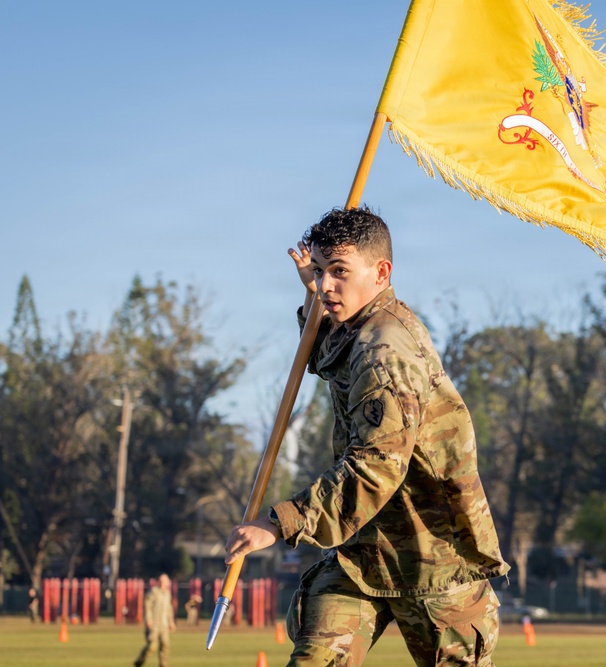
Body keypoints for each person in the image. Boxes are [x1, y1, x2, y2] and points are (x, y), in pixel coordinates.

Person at [225, 206, 509, 666]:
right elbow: (325, 358)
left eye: (339, 272)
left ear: (381, 272)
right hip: (363, 553)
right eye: (318, 271)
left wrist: (278, 523)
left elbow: (375, 469)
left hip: (431, 556)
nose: (324, 286)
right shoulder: (359, 325)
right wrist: (314, 292)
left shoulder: (385, 352)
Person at [134, 573, 176, 667]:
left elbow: (169, 610)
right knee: (152, 645)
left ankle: (163, 665)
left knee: (165, 646)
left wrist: (171, 622)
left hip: (164, 624)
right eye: (160, 581)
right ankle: (140, 661)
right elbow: (147, 606)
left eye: (164, 581)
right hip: (154, 624)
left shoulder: (167, 594)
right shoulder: (153, 592)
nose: (162, 583)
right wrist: (148, 619)